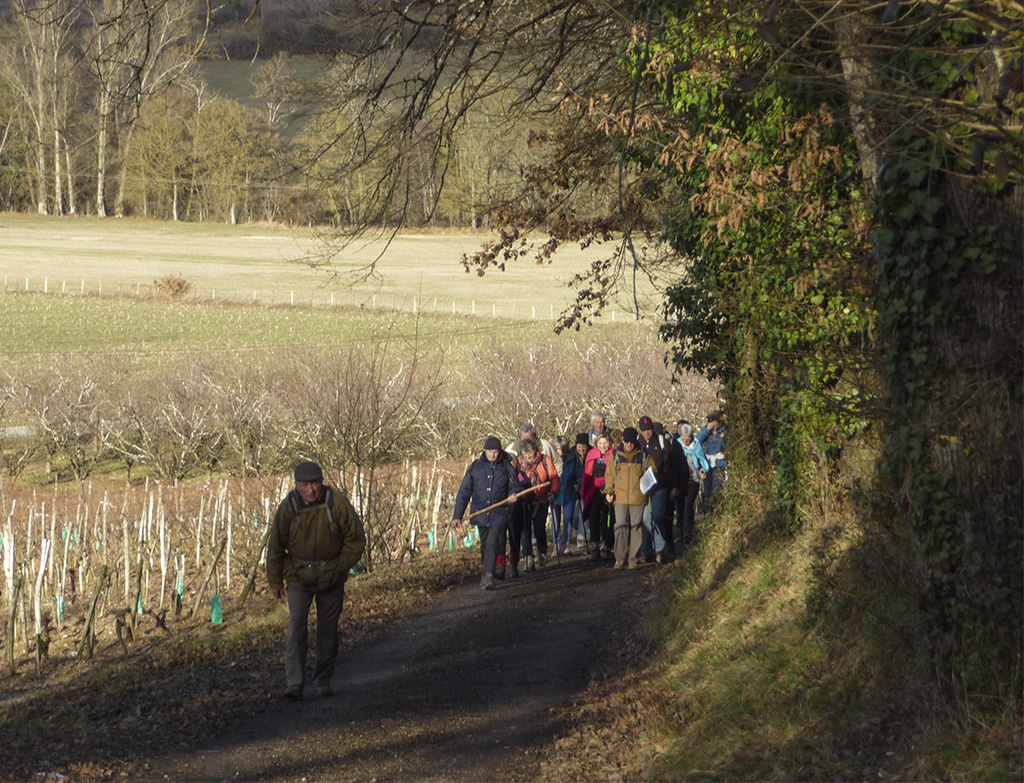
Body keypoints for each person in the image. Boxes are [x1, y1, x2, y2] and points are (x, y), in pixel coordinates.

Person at [267, 461, 366, 700]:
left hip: (331, 576)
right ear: (296, 485)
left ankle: (323, 682)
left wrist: (339, 567)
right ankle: (294, 684)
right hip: (298, 576)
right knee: (296, 628)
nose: (311, 489)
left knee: (328, 630)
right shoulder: (288, 507)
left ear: (322, 482)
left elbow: (356, 539)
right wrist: (275, 581)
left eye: (315, 483)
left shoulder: (336, 502)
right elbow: (276, 546)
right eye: (305, 485)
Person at [453, 436, 519, 590]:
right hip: (480, 513)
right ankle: (487, 571)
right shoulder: (475, 467)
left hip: (499, 512)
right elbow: (464, 492)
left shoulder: (506, 466)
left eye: (495, 452)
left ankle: (488, 575)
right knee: (484, 544)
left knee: (492, 541)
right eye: (490, 452)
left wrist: (513, 494)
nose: (493, 455)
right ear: (485, 451)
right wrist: (458, 515)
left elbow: (515, 485)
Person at [603, 427, 652, 569]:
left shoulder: (643, 455)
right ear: (622, 440)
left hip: (638, 497)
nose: (629, 444)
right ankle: (619, 558)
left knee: (636, 527)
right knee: (620, 526)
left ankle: (633, 559)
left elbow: (651, 472)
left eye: (631, 441)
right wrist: (609, 490)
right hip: (620, 497)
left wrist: (647, 488)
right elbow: (609, 475)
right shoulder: (616, 455)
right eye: (626, 441)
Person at [513, 436, 560, 570]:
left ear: (536, 450)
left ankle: (542, 552)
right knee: (525, 530)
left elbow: (554, 478)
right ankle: (528, 557)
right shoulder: (518, 463)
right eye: (525, 452)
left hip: (541, 500)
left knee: (539, 529)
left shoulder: (545, 460)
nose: (527, 455)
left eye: (530, 452)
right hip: (524, 501)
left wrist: (554, 492)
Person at [637, 415, 675, 564]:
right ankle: (645, 550)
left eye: (649, 429)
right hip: (643, 488)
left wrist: (674, 486)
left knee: (657, 516)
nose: (647, 432)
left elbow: (671, 465)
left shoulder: (662, 442)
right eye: (644, 430)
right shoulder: (637, 444)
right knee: (646, 519)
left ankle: (659, 549)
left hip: (660, 486)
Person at [674, 423, 709, 547]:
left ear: (691, 437)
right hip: (679, 481)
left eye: (687, 439)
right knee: (679, 506)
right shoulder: (676, 444)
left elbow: (702, 461)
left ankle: (687, 532)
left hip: (693, 480)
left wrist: (703, 470)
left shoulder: (697, 445)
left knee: (688, 505)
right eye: (683, 439)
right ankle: (680, 531)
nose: (685, 442)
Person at [582, 433, 615, 560]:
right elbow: (587, 473)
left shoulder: (613, 454)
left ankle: (608, 545)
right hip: (595, 490)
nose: (603, 446)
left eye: (605, 443)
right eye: (600, 443)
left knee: (609, 518)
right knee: (593, 516)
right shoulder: (592, 454)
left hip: (609, 489)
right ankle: (594, 546)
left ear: (609, 443)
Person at [552, 435, 582, 557]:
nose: (560, 452)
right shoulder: (551, 459)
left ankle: (566, 543)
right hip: (555, 493)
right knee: (555, 520)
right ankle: (556, 544)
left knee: (568, 518)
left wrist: (578, 483)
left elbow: (579, 474)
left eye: (562, 449)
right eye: (558, 449)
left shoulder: (573, 459)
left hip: (569, 492)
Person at [696, 411, 727, 497]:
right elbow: (697, 441)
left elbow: (725, 446)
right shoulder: (706, 432)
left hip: (719, 463)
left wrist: (722, 438)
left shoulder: (723, 432)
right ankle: (706, 506)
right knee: (706, 489)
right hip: (707, 464)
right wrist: (708, 428)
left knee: (716, 486)